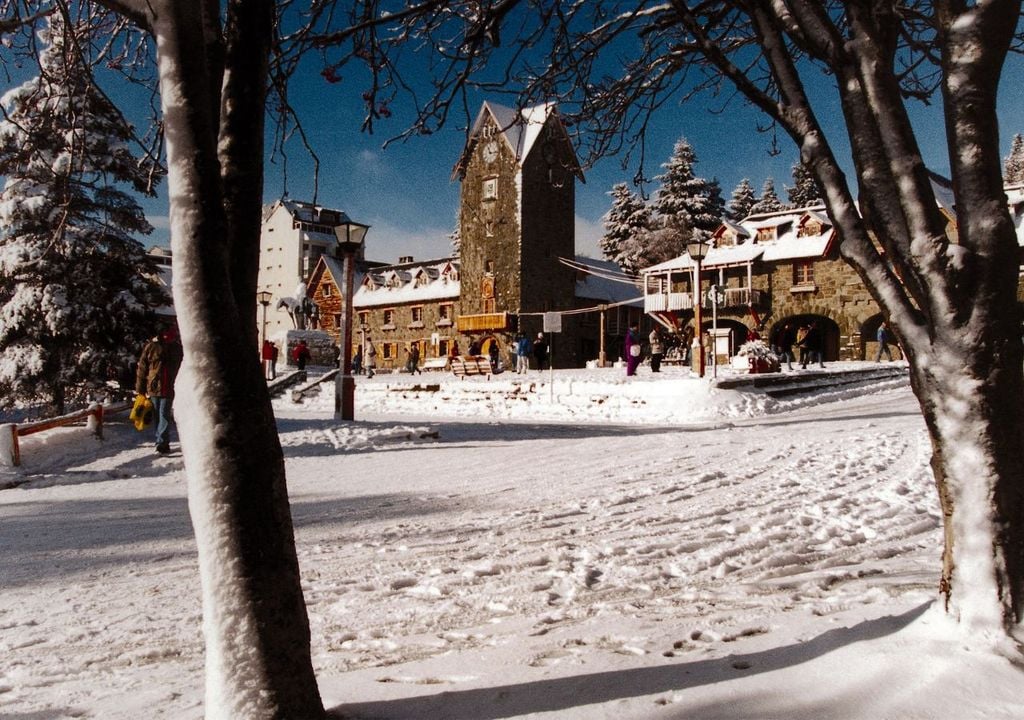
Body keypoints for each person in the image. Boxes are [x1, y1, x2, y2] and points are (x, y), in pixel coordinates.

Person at [135, 323, 183, 455]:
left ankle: (162, 443)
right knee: (157, 415)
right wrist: (140, 387)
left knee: (164, 414)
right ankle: (160, 441)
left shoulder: (177, 347)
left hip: (169, 386)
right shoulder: (152, 346)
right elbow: (142, 367)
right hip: (154, 386)